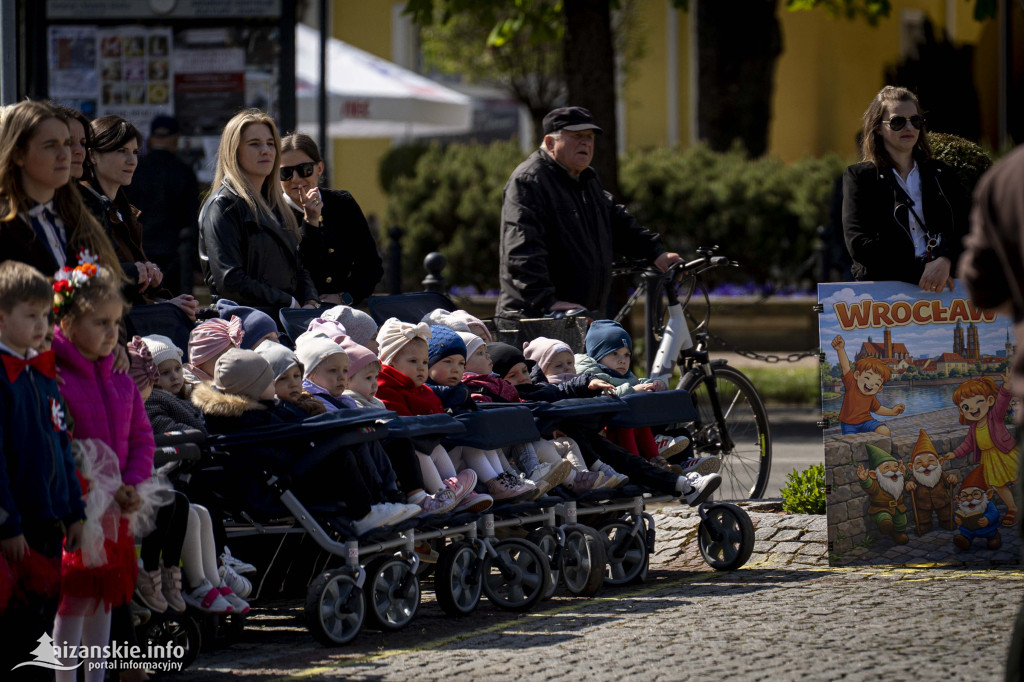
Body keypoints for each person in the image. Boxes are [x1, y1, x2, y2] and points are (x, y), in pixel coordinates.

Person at [49, 257, 156, 680]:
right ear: (69, 322)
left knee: (105, 599)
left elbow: (142, 438)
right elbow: (56, 445)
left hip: (116, 509)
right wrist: (81, 490)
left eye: (117, 325)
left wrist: (132, 483)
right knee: (73, 599)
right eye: (101, 324)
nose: (113, 334)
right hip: (76, 507)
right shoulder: (55, 379)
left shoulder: (122, 381)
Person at [497, 106, 682, 319]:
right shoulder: (530, 181)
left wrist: (656, 252)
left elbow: (618, 223)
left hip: (577, 316)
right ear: (550, 143)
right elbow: (522, 250)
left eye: (590, 137)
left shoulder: (587, 179)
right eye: (577, 136)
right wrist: (546, 302)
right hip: (538, 319)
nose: (586, 142)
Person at [0, 261, 85, 680]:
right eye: (29, 315)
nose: (41, 325)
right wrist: (7, 523)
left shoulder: (44, 374)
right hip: (15, 530)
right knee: (14, 637)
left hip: (50, 521)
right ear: (1, 317)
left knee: (41, 634)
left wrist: (74, 511)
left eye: (45, 316)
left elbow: (61, 446)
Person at [842, 86, 970, 291]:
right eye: (897, 122)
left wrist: (947, 260)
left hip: (944, 289)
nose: (909, 128)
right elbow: (859, 244)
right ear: (877, 128)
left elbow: (968, 228)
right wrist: (920, 272)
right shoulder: (860, 177)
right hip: (885, 292)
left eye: (916, 120)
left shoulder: (942, 173)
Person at [199, 109, 319, 317]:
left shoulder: (277, 205)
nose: (266, 150)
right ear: (234, 151)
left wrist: (310, 301)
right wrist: (288, 301)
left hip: (288, 315)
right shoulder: (223, 205)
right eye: (255, 144)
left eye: (270, 143)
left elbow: (299, 268)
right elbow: (230, 279)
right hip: (245, 321)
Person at [79, 115, 198, 319]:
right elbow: (94, 277)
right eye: (121, 151)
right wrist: (138, 273)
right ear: (93, 156)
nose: (131, 160)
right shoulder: (87, 205)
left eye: (135, 152)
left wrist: (163, 301)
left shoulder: (120, 206)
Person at [0, 101, 121, 281]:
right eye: (51, 145)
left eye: (66, 144)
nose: (65, 154)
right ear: (18, 154)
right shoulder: (6, 223)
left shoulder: (76, 215)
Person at [279, 133, 382, 305]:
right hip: (298, 315)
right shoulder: (273, 213)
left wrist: (346, 297)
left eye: (305, 169)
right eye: (285, 172)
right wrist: (310, 223)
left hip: (342, 312)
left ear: (319, 168)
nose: (295, 178)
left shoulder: (342, 203)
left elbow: (371, 265)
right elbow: (294, 272)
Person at [124, 115, 200, 296]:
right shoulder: (183, 171)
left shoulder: (134, 169)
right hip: (174, 257)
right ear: (176, 138)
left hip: (139, 254)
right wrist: (197, 265)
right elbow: (191, 218)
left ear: (150, 138)